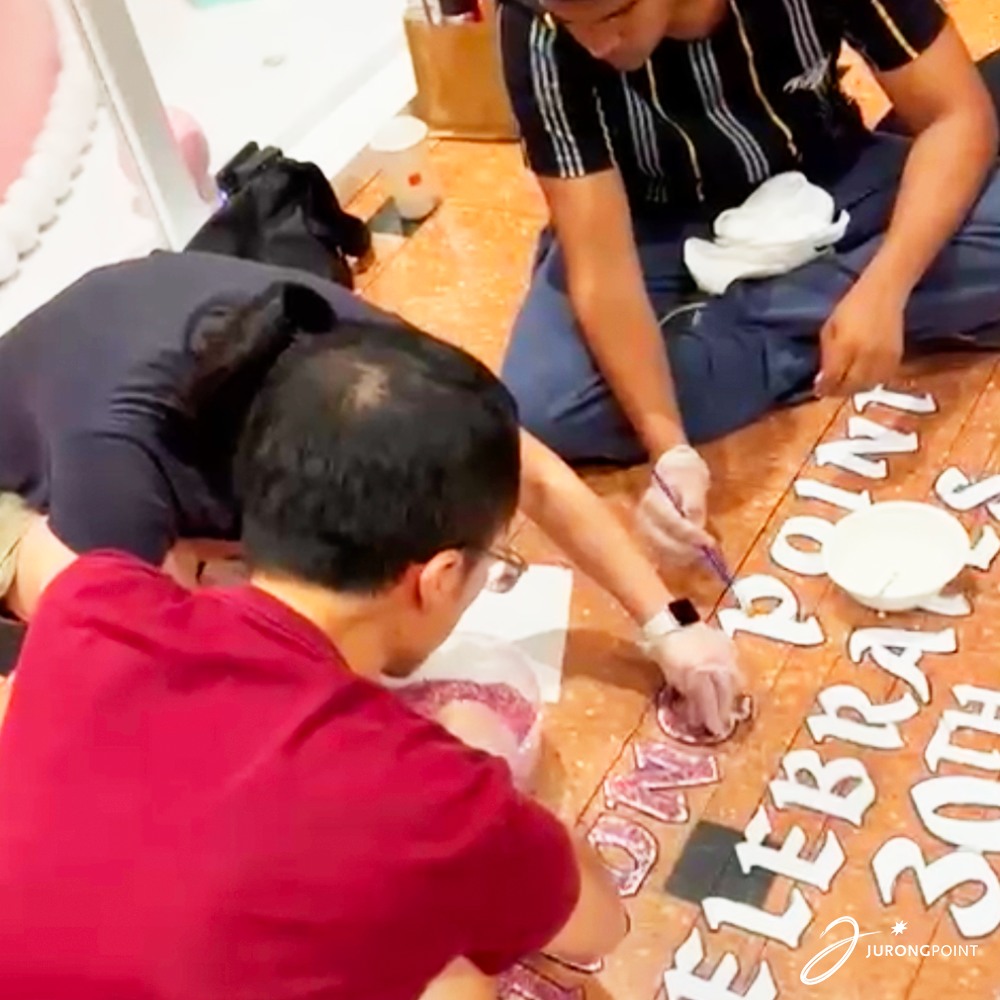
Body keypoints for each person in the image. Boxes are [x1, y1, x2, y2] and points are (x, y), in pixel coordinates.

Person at [0, 321, 628, 999]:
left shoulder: (94, 600)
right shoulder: (437, 801)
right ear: (441, 576)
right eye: (490, 567)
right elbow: (602, 926)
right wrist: (490, 776)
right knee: (456, 981)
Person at [0, 250, 740, 733]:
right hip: (30, 465)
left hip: (137, 360)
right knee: (140, 682)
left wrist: (671, 627)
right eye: (490, 567)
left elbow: (535, 473)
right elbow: (84, 701)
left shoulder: (366, 366)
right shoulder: (119, 484)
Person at [498, 0, 1000, 561]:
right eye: (574, 26)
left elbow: (957, 115)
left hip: (830, 183)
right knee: (546, 407)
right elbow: (601, 263)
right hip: (654, 226)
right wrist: (670, 450)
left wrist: (886, 288)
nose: (597, 43)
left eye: (616, 15)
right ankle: (806, 319)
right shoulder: (537, 23)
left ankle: (726, 326)